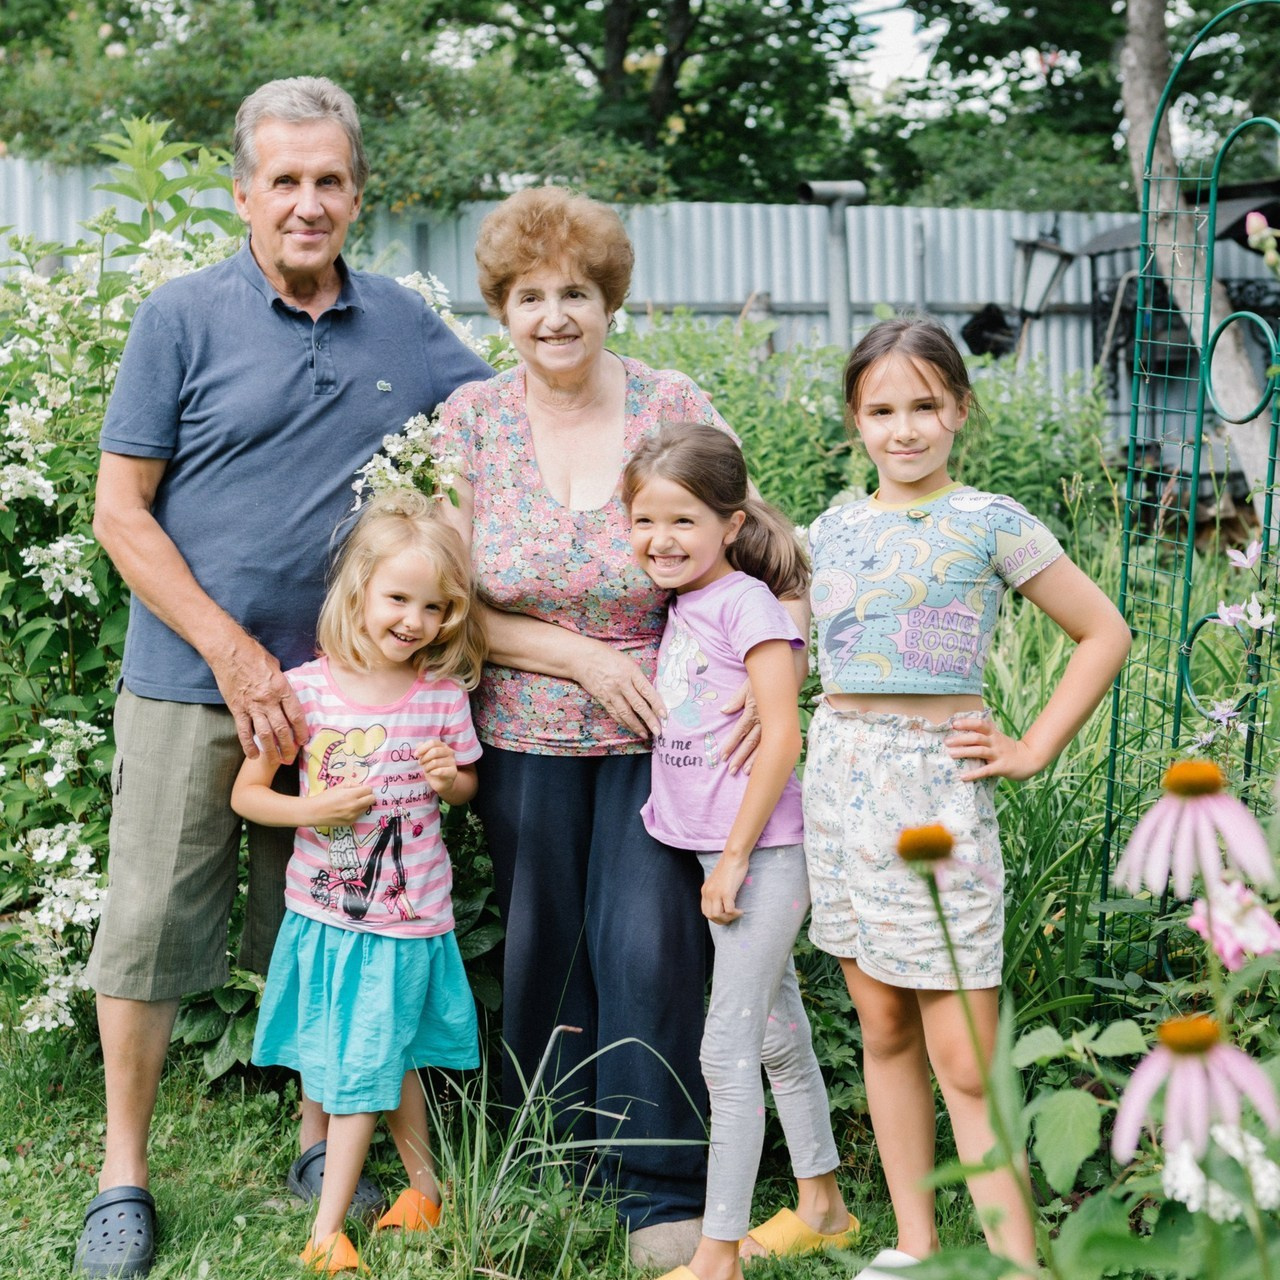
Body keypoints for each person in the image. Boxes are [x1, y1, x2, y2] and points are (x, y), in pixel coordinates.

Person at [77, 76, 491, 1279]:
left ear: (358, 192)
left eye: (330, 180)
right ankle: (122, 1172)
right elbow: (121, 511)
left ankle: (322, 1140)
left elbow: (509, 423)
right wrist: (232, 649)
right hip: (191, 675)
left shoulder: (405, 325)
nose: (307, 204)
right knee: (151, 925)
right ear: (243, 191)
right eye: (285, 181)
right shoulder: (182, 315)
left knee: (320, 919)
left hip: (346, 695)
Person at [435, 186, 764, 1267]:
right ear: (503, 308)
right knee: (541, 946)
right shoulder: (470, 421)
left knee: (650, 945)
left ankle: (658, 1179)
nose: (553, 316)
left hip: (666, 737)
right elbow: (446, 599)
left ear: (607, 298)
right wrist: (576, 653)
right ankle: (548, 1159)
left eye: (574, 291)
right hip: (522, 731)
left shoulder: (673, 404)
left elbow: (748, 548)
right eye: (529, 296)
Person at [804, 315, 1131, 1278]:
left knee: (964, 1054)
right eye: (882, 410)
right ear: (856, 422)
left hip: (932, 790)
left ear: (959, 410)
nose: (904, 429)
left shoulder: (992, 521)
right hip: (839, 781)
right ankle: (914, 1246)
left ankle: (1017, 1263)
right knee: (884, 1025)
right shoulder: (831, 528)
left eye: (924, 406)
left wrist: (1032, 747)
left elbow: (1104, 632)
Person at [619, 422, 857, 1280]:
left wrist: (732, 859)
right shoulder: (691, 603)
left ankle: (717, 1253)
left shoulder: (747, 605)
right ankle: (824, 1204)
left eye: (683, 521)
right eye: (645, 521)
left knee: (726, 1047)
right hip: (715, 849)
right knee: (775, 1032)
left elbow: (783, 734)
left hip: (760, 853)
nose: (661, 539)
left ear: (729, 522)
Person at [231, 489, 485, 1273]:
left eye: (434, 607)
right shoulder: (306, 692)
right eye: (398, 598)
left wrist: (451, 781)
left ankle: (337, 1228)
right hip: (327, 914)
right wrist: (317, 803)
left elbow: (468, 789)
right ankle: (372, 1213)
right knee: (366, 1065)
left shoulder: (441, 697)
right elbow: (248, 794)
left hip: (408, 921)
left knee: (377, 1062)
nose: (414, 619)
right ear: (361, 592)